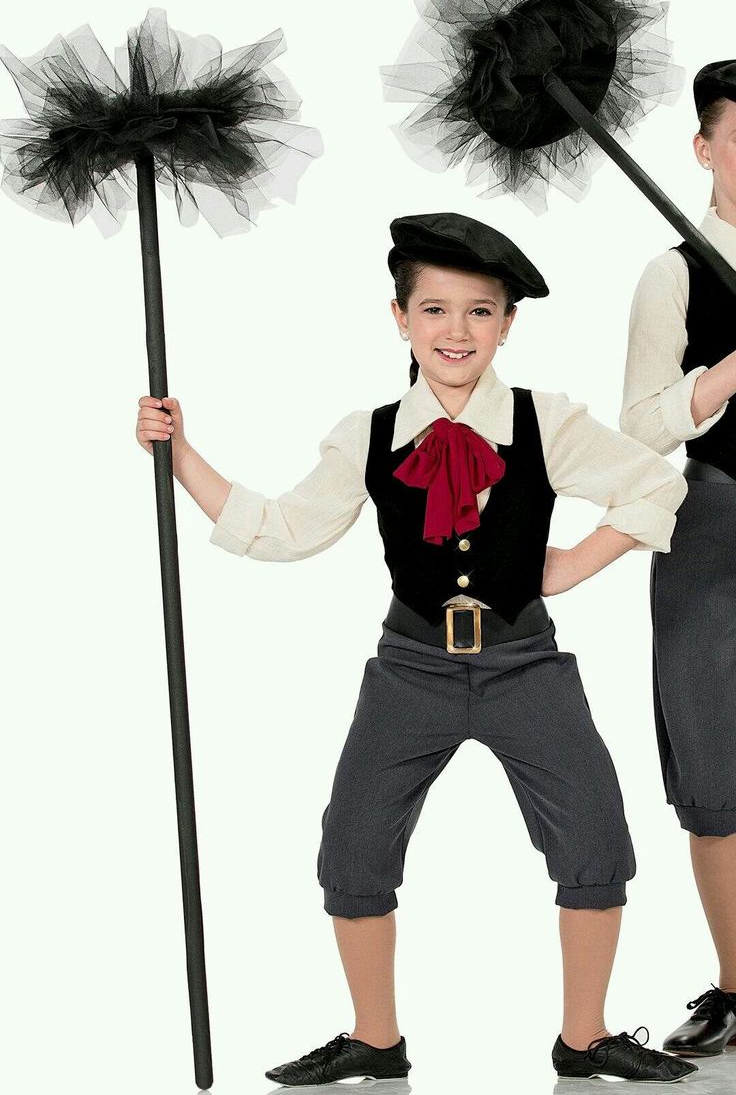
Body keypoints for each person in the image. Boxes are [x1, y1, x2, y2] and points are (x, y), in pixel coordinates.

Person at [137, 211, 695, 1085]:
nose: (457, 330)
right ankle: (376, 1039)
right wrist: (180, 456)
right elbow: (284, 529)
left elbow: (654, 480)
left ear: (508, 323)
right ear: (399, 319)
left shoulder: (548, 421)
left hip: (525, 665)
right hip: (409, 669)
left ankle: (583, 1040)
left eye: (480, 311)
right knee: (353, 845)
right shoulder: (367, 434)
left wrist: (576, 564)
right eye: (434, 309)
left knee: (593, 833)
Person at [620, 60, 736, 1059]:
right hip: (715, 525)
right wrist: (725, 376)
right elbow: (639, 429)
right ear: (704, 150)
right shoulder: (674, 272)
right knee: (715, 767)